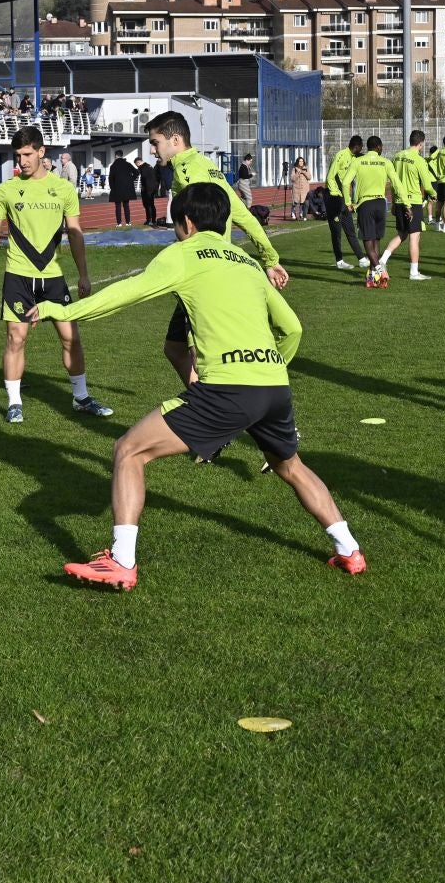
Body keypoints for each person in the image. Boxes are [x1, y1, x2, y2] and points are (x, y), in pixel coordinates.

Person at [29, 183, 365, 590]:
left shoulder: (183, 254)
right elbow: (292, 328)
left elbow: (123, 294)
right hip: (275, 385)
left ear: (186, 222)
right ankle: (349, 550)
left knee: (128, 450)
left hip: (227, 390)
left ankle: (120, 561)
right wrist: (271, 368)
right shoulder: (245, 261)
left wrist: (61, 309)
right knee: (289, 466)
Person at [0, 126, 113, 423]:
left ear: (40, 151)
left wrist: (83, 274)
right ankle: (14, 402)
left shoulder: (62, 189)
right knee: (15, 338)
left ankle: (81, 398)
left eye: (26, 154)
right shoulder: (6, 189)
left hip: (53, 276)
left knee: (70, 337)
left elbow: (75, 233)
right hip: (17, 275)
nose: (21, 161)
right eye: (17, 155)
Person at [146, 110, 288, 383]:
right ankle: (206, 410)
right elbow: (244, 214)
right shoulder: (206, 165)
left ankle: (219, 417)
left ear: (175, 140)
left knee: (205, 361)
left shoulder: (188, 173)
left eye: (155, 143)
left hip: (204, 275)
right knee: (174, 349)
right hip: (221, 268)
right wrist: (270, 259)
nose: (152, 150)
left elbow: (194, 231)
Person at [378, 129, 436, 282]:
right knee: (414, 237)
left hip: (399, 201)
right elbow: (427, 184)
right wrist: (433, 194)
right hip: (413, 202)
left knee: (402, 234)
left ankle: (382, 260)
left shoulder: (397, 156)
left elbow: (392, 179)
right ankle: (414, 272)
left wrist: (394, 201)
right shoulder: (419, 160)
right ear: (421, 144)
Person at [350, 136, 397, 288]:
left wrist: (347, 201)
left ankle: (379, 270)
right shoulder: (386, 162)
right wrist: (406, 203)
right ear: (378, 147)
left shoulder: (357, 161)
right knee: (376, 240)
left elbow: (345, 182)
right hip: (380, 203)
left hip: (365, 204)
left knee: (367, 242)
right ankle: (372, 278)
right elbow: (396, 183)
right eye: (381, 146)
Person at [324, 135, 364, 270]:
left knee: (350, 228)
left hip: (343, 199)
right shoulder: (341, 155)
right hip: (334, 198)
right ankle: (339, 260)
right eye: (361, 146)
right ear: (357, 146)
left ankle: (362, 258)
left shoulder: (354, 158)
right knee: (336, 232)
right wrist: (336, 195)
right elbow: (330, 176)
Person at [109, 155, 137, 225]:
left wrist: (112, 187)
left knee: (118, 206)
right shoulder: (127, 164)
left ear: (115, 156)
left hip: (117, 188)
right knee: (126, 205)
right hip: (126, 188)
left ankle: (119, 223)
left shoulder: (113, 166)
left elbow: (110, 178)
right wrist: (130, 180)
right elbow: (136, 172)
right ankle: (128, 222)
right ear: (122, 155)